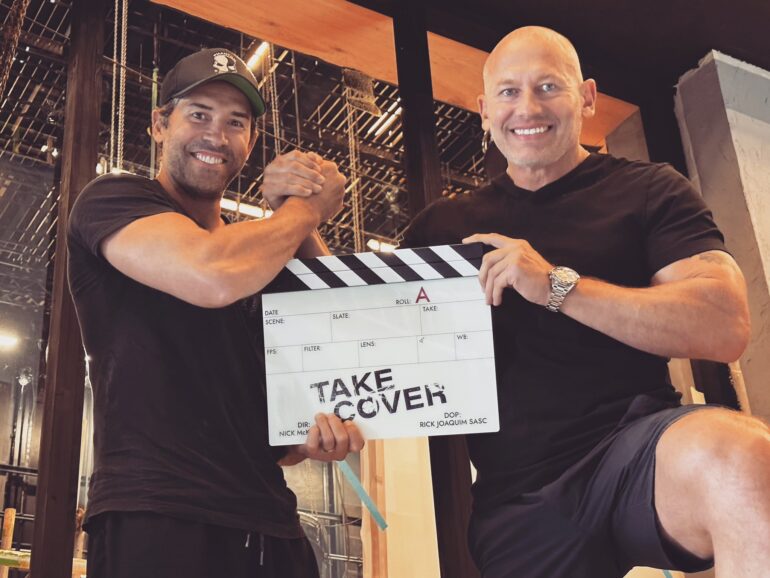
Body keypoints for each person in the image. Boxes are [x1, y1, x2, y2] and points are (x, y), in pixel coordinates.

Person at [402, 27, 770, 578]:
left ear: (588, 97)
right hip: (518, 495)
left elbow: (724, 323)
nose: (528, 108)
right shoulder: (441, 228)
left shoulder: (652, 189)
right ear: (484, 111)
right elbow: (372, 348)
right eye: (508, 92)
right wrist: (333, 421)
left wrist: (557, 286)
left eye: (548, 86)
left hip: (635, 449)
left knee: (744, 458)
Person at [67, 48, 364, 578]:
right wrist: (305, 207)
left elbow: (341, 334)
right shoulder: (114, 200)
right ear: (160, 124)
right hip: (158, 515)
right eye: (199, 114)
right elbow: (210, 273)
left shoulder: (260, 255)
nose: (216, 136)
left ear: (251, 141)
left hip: (270, 524)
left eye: (235, 122)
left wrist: (310, 434)